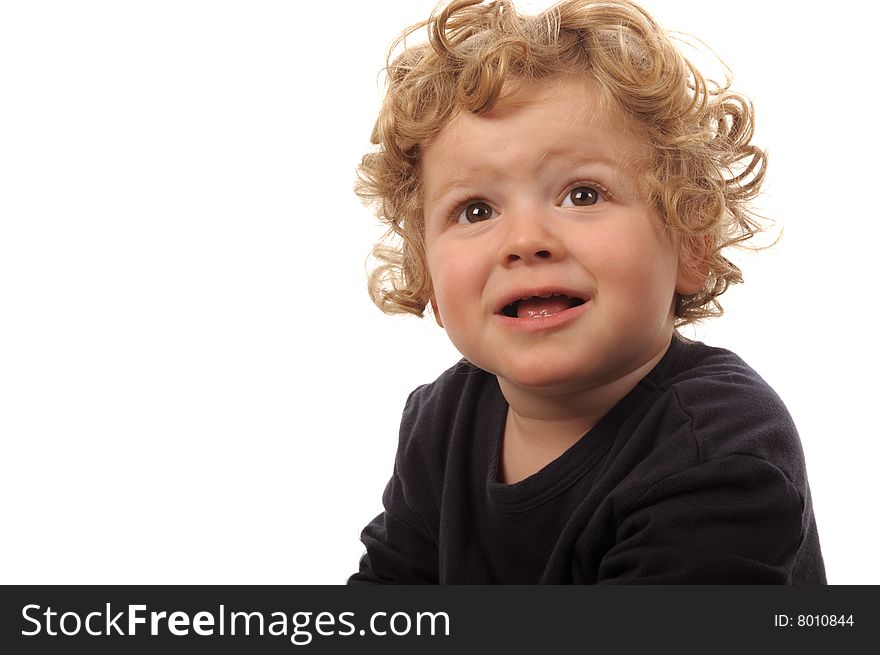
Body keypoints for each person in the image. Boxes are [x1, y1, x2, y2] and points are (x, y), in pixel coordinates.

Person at [348, 0, 825, 584]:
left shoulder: (718, 451)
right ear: (429, 282)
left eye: (583, 195)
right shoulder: (440, 422)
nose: (524, 240)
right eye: (476, 210)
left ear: (692, 244)